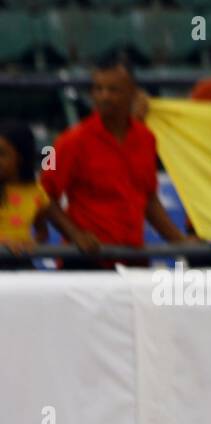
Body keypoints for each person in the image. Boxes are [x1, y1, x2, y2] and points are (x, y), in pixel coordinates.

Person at [41, 53, 191, 266]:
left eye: (113, 90)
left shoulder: (146, 138)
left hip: (133, 259)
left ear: (132, 93)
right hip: (87, 262)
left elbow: (148, 199)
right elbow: (44, 195)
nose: (104, 96)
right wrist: (76, 236)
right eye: (98, 89)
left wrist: (181, 243)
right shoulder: (70, 141)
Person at [0, 122, 52, 260]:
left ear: (20, 157)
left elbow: (42, 232)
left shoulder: (35, 192)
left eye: (1, 154)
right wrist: (3, 243)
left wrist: (32, 243)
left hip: (21, 265)